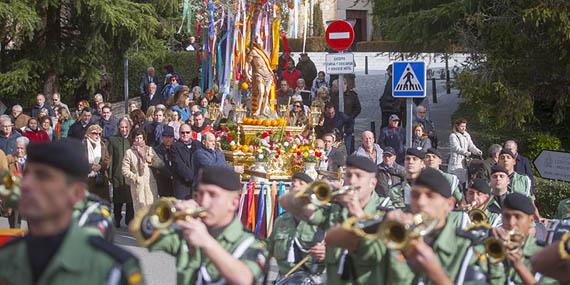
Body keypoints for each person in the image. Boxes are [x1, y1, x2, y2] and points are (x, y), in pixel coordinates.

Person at [0, 139, 144, 284]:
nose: (26, 184)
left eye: (43, 177)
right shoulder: (7, 257)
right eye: (27, 174)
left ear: (77, 193)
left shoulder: (112, 269)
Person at [326, 167, 477, 284]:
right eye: (416, 195)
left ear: (449, 204)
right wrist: (379, 224)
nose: (421, 202)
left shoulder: (466, 246)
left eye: (430, 196)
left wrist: (435, 273)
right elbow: (332, 238)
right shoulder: (393, 229)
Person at [133, 165, 268, 284]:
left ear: (233, 203)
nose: (204, 201)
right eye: (199, 194)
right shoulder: (188, 231)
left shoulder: (252, 243)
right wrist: (174, 206)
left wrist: (206, 242)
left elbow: (245, 279)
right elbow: (140, 230)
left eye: (212, 195)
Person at [279, 155, 392, 284]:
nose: (352, 181)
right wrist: (313, 190)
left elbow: (378, 254)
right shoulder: (336, 209)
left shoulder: (385, 210)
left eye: (358, 176)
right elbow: (285, 202)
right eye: (348, 175)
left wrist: (355, 211)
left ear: (373, 183)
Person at [485, 193, 557, 284]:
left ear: (531, 221)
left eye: (518, 217)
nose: (511, 223)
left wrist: (519, 266)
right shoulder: (487, 243)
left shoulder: (544, 255)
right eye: (507, 216)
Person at [269, 172, 326, 281]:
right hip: (285, 278)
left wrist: (327, 253)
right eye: (293, 183)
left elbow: (340, 254)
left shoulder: (321, 220)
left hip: (313, 279)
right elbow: (269, 250)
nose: (295, 185)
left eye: (301, 183)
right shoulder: (281, 220)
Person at [121, 128, 164, 212]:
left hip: (150, 185)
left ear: (144, 138)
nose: (139, 140)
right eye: (136, 138)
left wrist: (151, 160)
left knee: (152, 211)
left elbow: (160, 164)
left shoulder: (149, 150)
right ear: (133, 139)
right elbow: (124, 169)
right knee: (140, 212)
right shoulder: (129, 152)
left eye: (140, 138)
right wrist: (135, 177)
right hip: (137, 186)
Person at [108, 117, 134, 228]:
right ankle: (117, 218)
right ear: (119, 127)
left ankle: (129, 220)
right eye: (122, 127)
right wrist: (109, 175)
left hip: (130, 174)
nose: (124, 129)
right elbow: (110, 158)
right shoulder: (113, 140)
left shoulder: (133, 139)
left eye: (126, 127)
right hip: (117, 173)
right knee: (118, 200)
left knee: (130, 199)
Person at [4, 136, 29, 228]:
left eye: (22, 148)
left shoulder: (32, 160)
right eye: (17, 148)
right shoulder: (9, 158)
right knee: (14, 224)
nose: (19, 150)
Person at [448, 118, 482, 185]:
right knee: (455, 182)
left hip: (464, 163)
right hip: (455, 163)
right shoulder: (453, 136)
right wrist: (465, 152)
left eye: (465, 126)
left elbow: (471, 146)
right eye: (462, 126)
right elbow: (455, 147)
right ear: (457, 126)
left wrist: (477, 151)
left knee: (464, 182)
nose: (463, 128)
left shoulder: (467, 135)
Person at [169, 124, 199, 199]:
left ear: (191, 133)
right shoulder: (174, 147)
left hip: (197, 185)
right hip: (182, 186)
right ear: (179, 133)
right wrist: (193, 178)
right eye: (182, 132)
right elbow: (179, 166)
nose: (185, 134)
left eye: (187, 132)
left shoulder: (198, 144)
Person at [83, 125, 110, 202]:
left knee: (102, 203)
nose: (97, 135)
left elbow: (107, 160)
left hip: (100, 179)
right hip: (87, 178)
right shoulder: (83, 144)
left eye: (99, 133)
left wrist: (100, 166)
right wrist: (91, 166)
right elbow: (79, 160)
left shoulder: (102, 145)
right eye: (94, 133)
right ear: (88, 134)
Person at [152, 126, 176, 197]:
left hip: (175, 185)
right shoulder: (157, 150)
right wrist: (171, 175)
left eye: (170, 137)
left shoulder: (176, 149)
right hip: (163, 184)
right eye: (166, 137)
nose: (168, 139)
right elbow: (160, 166)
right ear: (162, 138)